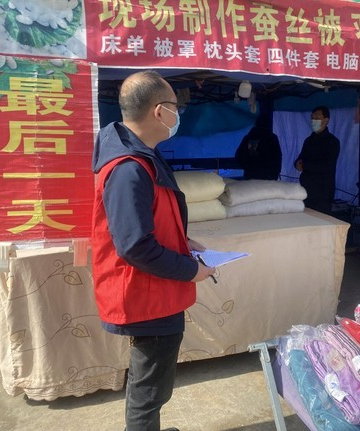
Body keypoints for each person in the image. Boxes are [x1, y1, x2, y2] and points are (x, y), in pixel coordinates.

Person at [91, 70, 215, 431]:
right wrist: (192, 270)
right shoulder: (128, 168)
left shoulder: (142, 156)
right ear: (160, 111)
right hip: (146, 294)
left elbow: (148, 220)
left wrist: (182, 241)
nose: (179, 114)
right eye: (177, 107)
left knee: (151, 381)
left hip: (152, 290)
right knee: (150, 388)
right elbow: (135, 246)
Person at [294, 106, 341, 214]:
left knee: (321, 220)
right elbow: (300, 158)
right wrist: (297, 164)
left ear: (326, 120)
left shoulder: (332, 141)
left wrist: (305, 165)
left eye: (317, 118)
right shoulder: (308, 140)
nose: (313, 120)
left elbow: (328, 166)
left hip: (322, 192)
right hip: (306, 190)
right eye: (312, 118)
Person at [234, 114, 282, 180]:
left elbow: (240, 156)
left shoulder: (251, 137)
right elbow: (278, 157)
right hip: (269, 177)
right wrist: (275, 172)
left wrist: (249, 167)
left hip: (252, 176)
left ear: (256, 123)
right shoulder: (272, 138)